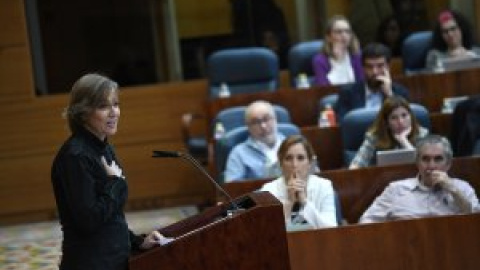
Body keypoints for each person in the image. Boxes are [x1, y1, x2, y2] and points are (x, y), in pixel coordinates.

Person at [51, 73, 170, 270]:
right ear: (83, 112)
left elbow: (112, 216)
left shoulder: (104, 148)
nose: (114, 112)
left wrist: (137, 241)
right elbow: (88, 221)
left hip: (113, 258)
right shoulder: (75, 157)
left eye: (115, 104)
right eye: (103, 106)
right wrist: (114, 184)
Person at [359, 134, 480, 223]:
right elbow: (366, 222)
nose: (431, 166)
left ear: (448, 164)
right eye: (425, 159)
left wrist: (453, 190)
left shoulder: (463, 188)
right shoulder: (395, 190)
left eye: (438, 159)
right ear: (417, 163)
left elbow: (475, 223)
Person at [260, 135, 337, 229]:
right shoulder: (268, 190)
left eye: (300, 158)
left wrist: (305, 202)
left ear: (310, 162)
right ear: (280, 163)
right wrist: (289, 202)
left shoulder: (324, 186)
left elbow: (331, 229)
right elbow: (267, 231)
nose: (294, 165)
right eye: (288, 158)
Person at [335, 42, 409, 123]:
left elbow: (405, 123)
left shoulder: (400, 92)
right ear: (363, 68)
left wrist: (389, 95)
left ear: (388, 66)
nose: (375, 72)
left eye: (380, 66)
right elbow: (343, 125)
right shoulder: (348, 93)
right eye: (369, 67)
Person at [349, 96, 429, 169]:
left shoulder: (421, 134)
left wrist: (404, 141)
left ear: (411, 116)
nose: (400, 122)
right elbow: (355, 166)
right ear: (386, 122)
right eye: (394, 118)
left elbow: (424, 166)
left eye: (404, 115)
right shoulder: (374, 137)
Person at [224, 100, 287, 182]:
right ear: (248, 126)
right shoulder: (238, 154)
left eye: (267, 119)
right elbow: (232, 188)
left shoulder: (293, 145)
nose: (263, 126)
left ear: (275, 119)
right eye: (256, 122)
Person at [312, 15, 363, 86]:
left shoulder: (357, 56)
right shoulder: (320, 60)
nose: (344, 35)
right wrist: (338, 61)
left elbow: (362, 83)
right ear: (328, 37)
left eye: (347, 31)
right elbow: (323, 89)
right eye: (339, 32)